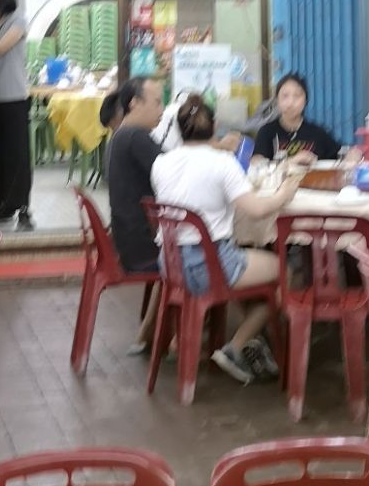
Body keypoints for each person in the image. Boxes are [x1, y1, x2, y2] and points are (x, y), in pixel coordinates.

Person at [150, 94, 302, 385]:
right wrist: (284, 193)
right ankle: (237, 345)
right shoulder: (222, 163)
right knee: (286, 272)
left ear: (180, 130)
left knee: (252, 270)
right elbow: (257, 210)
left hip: (170, 265)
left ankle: (252, 340)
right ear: (215, 126)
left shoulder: (161, 163)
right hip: (209, 266)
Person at [104, 76, 166, 350]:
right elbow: (176, 175)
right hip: (143, 248)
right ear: (134, 103)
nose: (162, 110)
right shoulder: (136, 137)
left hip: (129, 241)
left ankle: (150, 332)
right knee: (200, 257)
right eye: (157, 102)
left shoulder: (121, 135)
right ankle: (176, 338)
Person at [0, 0, 33, 230]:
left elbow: (0, 48)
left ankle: (21, 204)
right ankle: (2, 204)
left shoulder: (18, 21)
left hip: (14, 98)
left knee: (17, 154)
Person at [252, 72, 342, 162]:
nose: (290, 103)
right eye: (285, 96)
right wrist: (292, 161)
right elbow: (256, 162)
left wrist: (349, 155)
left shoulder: (318, 133)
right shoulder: (267, 132)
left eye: (297, 96)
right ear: (277, 101)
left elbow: (340, 154)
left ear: (305, 101)